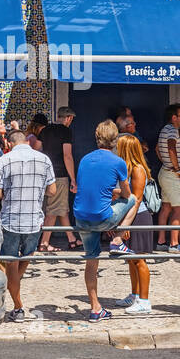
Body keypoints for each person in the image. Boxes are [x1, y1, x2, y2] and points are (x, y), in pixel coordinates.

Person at [72, 120, 139, 321]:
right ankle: (118, 240)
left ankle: (95, 308)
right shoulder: (118, 162)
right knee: (134, 199)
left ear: (97, 137)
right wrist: (117, 193)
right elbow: (127, 194)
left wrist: (110, 192)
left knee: (91, 260)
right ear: (115, 139)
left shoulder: (84, 159)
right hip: (103, 218)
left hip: (81, 218)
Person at [0, 129, 56, 323]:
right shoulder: (44, 160)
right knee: (26, 257)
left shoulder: (4, 160)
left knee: (11, 263)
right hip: (34, 220)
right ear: (27, 142)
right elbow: (52, 191)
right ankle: (14, 290)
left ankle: (17, 307)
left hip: (11, 219)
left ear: (10, 144)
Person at [114, 133, 154, 314]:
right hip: (128, 216)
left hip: (138, 217)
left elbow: (136, 200)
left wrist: (125, 225)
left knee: (139, 260)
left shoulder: (138, 170)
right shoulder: (126, 169)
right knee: (131, 260)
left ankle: (144, 301)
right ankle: (134, 294)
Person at [38, 106, 80, 252]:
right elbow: (67, 155)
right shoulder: (65, 131)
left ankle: (72, 240)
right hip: (60, 175)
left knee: (62, 208)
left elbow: (37, 150)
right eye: (71, 119)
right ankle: (44, 243)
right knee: (53, 210)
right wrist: (73, 179)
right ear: (68, 118)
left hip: (45, 175)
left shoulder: (45, 130)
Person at [155, 103, 180, 253]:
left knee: (166, 207)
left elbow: (157, 148)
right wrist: (176, 168)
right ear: (174, 117)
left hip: (164, 172)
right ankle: (174, 244)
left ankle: (161, 242)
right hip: (172, 175)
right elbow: (170, 147)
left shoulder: (166, 130)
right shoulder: (172, 131)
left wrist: (166, 163)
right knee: (179, 209)